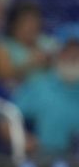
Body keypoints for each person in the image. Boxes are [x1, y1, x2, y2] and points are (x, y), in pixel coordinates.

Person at [11, 25, 79, 155]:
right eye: (67, 52)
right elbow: (7, 118)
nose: (72, 57)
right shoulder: (39, 85)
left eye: (77, 53)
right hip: (47, 159)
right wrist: (24, 140)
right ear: (58, 54)